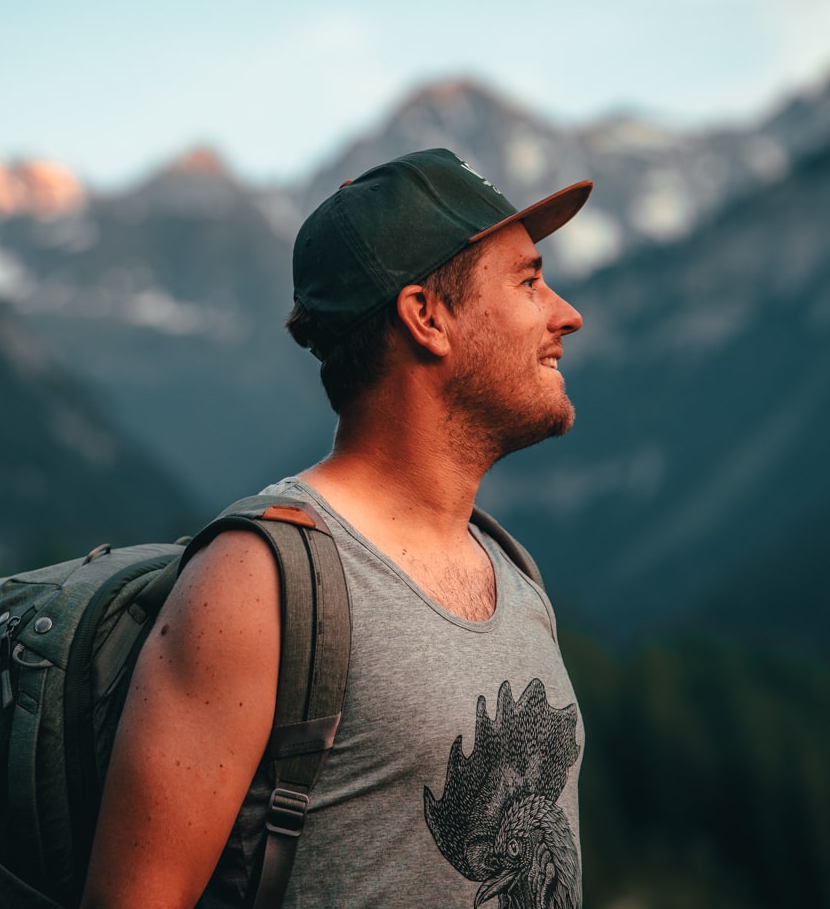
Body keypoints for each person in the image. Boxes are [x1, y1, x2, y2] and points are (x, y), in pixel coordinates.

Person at [83, 148, 592, 908]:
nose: (566, 313)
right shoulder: (259, 582)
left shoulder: (512, 571)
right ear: (427, 317)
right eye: (527, 281)